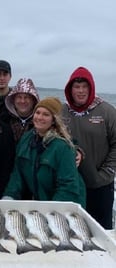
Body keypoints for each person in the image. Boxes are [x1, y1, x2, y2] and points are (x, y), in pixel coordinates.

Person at [2, 97, 86, 208]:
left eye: (46, 115)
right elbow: (18, 173)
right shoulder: (27, 139)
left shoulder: (62, 147)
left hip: (67, 204)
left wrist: (51, 210)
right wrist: (9, 196)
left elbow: (67, 187)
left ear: (54, 120)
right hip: (41, 201)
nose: (40, 117)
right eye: (37, 113)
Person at [62, 66, 116, 229]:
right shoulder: (61, 111)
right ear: (70, 89)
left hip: (99, 185)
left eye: (85, 86)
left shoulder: (107, 112)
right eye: (76, 87)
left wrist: (105, 173)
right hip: (70, 185)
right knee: (72, 232)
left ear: (91, 88)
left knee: (100, 232)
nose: (80, 91)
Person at [4, 77, 40, 143]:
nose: (22, 101)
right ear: (13, 100)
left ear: (34, 100)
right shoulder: (4, 120)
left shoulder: (40, 122)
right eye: (19, 97)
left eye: (27, 97)